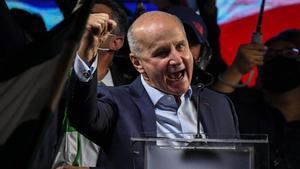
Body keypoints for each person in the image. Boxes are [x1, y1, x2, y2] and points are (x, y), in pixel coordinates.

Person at [67, 11, 239, 169]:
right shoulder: (116, 103)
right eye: (162, 52)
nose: (176, 59)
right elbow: (82, 116)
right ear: (137, 63)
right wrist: (85, 56)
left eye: (180, 46)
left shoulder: (219, 104)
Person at [52, 0, 132, 169]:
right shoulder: (50, 82)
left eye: (97, 19)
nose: (87, 23)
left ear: (116, 42)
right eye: (82, 18)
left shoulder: (130, 95)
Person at [213, 29, 300, 169]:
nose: (279, 57)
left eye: (290, 53)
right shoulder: (243, 111)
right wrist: (236, 70)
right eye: (269, 55)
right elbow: (209, 118)